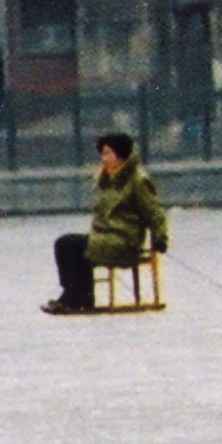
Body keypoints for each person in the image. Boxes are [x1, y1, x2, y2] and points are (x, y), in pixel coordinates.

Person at [44, 133, 169, 314]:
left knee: (75, 245)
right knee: (64, 243)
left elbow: (154, 212)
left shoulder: (137, 181)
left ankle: (78, 297)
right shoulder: (107, 180)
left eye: (108, 153)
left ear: (121, 155)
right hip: (103, 237)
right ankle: (73, 294)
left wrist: (160, 237)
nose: (103, 159)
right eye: (102, 154)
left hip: (124, 241)